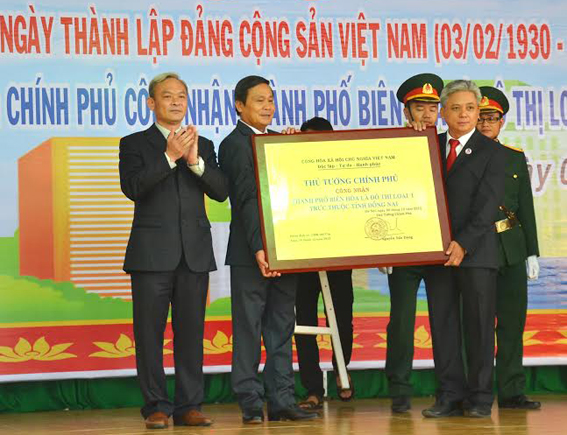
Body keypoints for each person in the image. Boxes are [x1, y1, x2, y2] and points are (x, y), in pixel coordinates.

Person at [119, 72, 228, 429]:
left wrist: (194, 161)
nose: (176, 102)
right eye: (168, 96)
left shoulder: (203, 143)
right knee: (149, 334)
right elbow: (133, 187)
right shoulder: (134, 144)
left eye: (181, 95)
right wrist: (169, 156)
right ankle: (156, 406)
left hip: (193, 254)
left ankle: (189, 406)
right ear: (152, 103)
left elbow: (220, 191)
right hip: (151, 255)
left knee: (191, 334)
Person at [218, 75, 317, 424]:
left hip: (285, 248)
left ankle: (282, 401)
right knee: (248, 328)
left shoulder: (277, 141)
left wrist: (294, 150)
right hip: (252, 254)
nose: (268, 107)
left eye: (271, 100)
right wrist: (261, 248)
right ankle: (249, 402)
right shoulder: (233, 144)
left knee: (281, 328)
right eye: (259, 100)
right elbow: (246, 198)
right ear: (239, 106)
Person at [421, 80, 506, 418]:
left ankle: (481, 398)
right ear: (443, 112)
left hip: (477, 253)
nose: (464, 114)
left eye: (470, 108)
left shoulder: (493, 152)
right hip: (437, 253)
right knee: (443, 326)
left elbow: (488, 205)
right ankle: (449, 396)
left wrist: (464, 243)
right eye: (455, 108)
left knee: (479, 327)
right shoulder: (428, 145)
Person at [380, 73, 444, 414]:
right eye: (420, 108)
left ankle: (449, 389)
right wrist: (382, 248)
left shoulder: (449, 145)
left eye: (433, 108)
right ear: (407, 112)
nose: (427, 115)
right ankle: (400, 390)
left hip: (442, 249)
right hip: (404, 246)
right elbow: (379, 193)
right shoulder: (392, 145)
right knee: (402, 321)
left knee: (446, 321)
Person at [477, 86, 541, 409]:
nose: (486, 123)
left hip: (512, 247)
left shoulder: (514, 156)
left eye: (492, 118)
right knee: (477, 326)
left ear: (501, 122)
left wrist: (531, 252)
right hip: (477, 248)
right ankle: (477, 392)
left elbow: (525, 206)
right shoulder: (460, 156)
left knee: (513, 323)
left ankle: (512, 391)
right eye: (481, 118)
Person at [294, 117, 355, 410]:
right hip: (302, 255)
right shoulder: (291, 168)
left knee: (342, 317)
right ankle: (313, 387)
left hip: (338, 253)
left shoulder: (343, 169)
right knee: (304, 322)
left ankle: (343, 372)